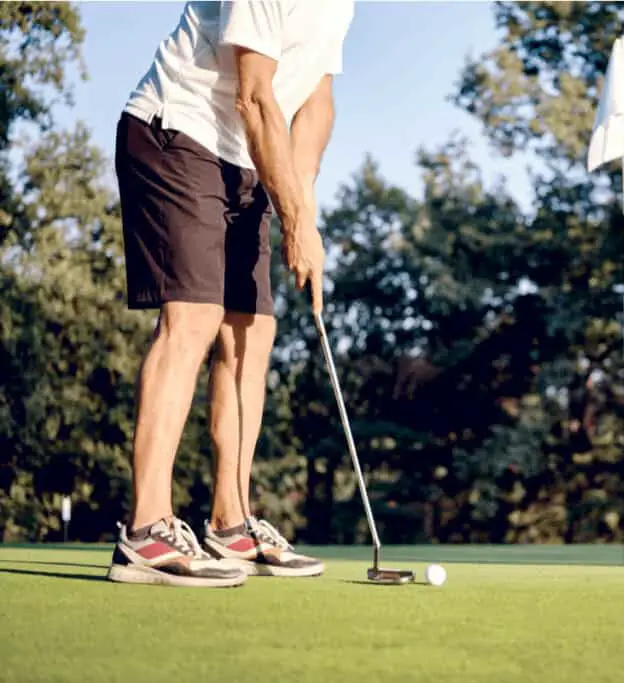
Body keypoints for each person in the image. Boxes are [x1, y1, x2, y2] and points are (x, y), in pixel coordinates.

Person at [107, 0, 355, 587]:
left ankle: (230, 521)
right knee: (194, 316)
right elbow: (255, 94)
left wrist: (305, 202)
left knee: (252, 329)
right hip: (177, 130)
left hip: (245, 157)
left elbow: (316, 98)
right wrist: (292, 221)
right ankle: (145, 531)